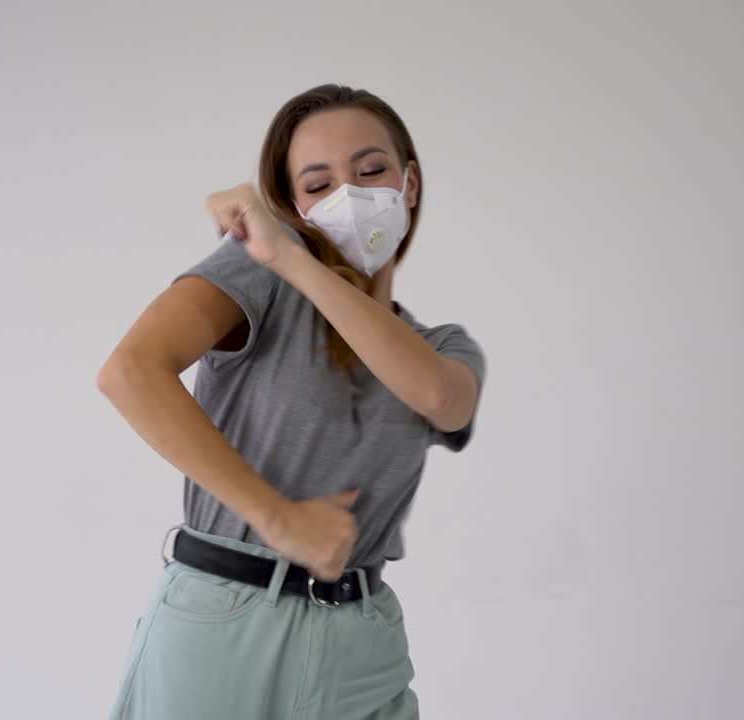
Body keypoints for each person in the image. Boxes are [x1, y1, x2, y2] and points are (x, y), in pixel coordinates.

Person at [98, 83, 486, 720]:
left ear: (409, 181)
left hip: (363, 638)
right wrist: (279, 519)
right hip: (228, 623)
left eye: (370, 170)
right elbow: (130, 372)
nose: (350, 196)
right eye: (317, 184)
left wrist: (299, 262)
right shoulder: (256, 274)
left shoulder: (443, 347)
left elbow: (441, 398)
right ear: (293, 205)